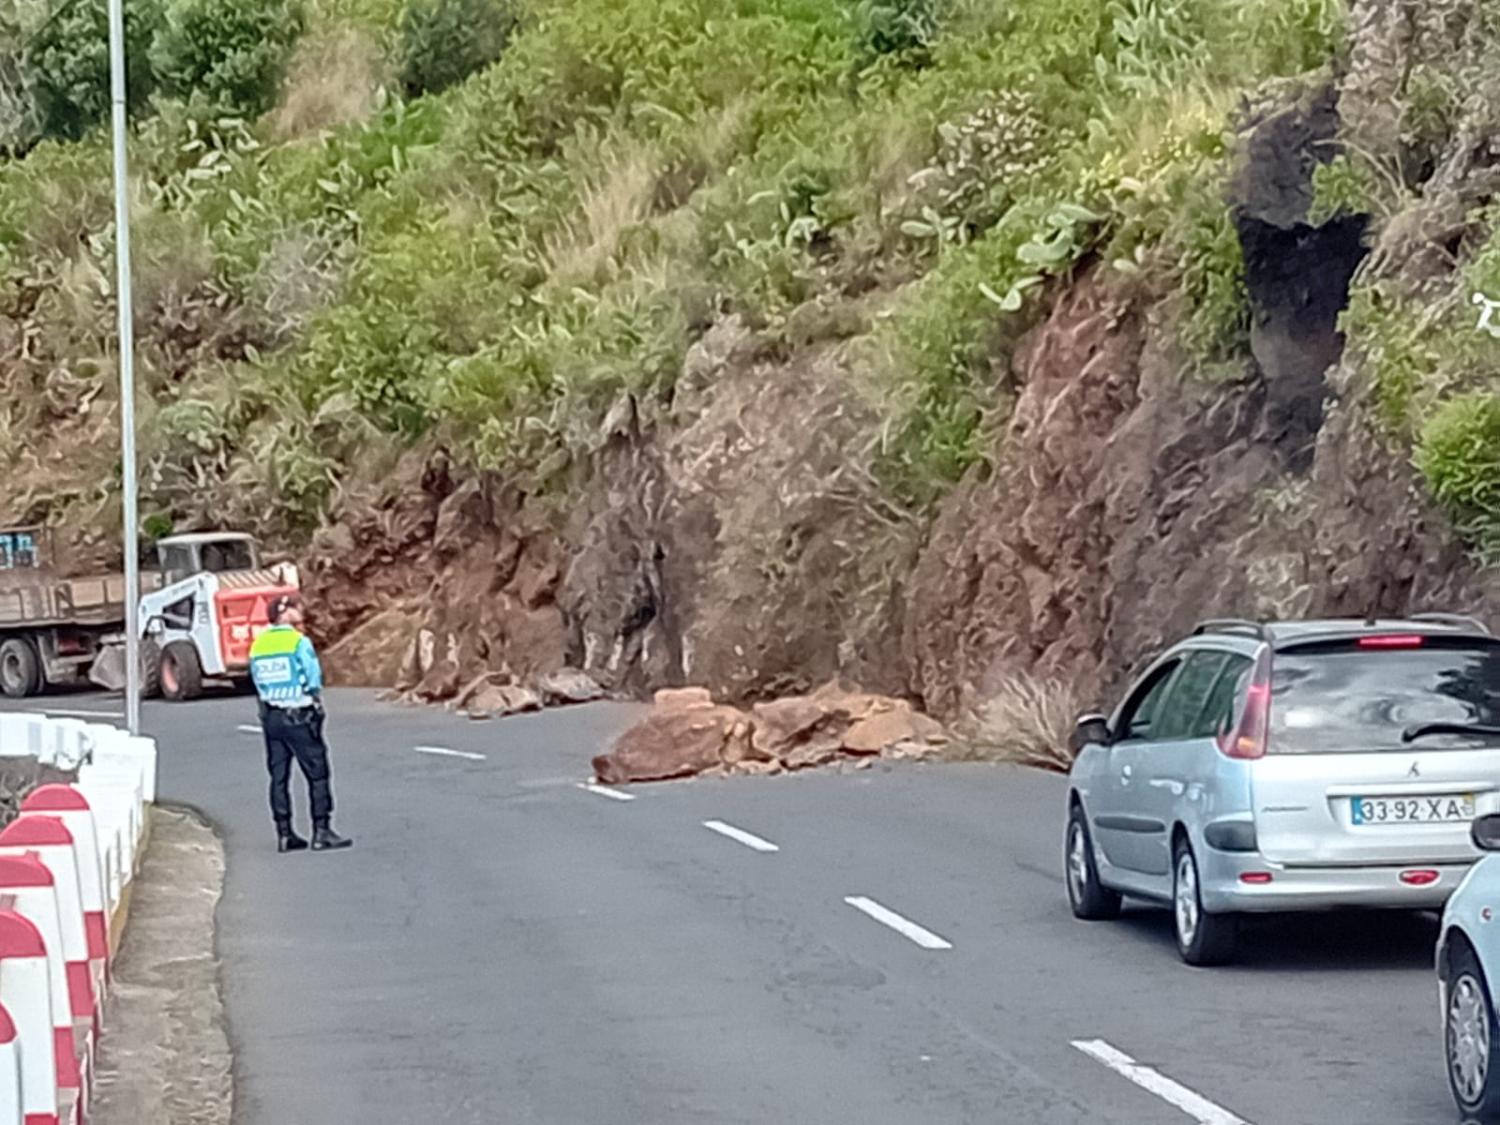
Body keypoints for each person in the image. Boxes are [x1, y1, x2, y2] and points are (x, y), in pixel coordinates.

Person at [248, 593, 353, 853]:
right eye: (296, 608)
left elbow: (257, 680)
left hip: (271, 716)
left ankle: (284, 833)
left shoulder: (258, 645)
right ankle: (321, 831)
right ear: (284, 613)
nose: (301, 611)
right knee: (318, 774)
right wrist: (313, 698)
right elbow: (313, 677)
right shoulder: (298, 641)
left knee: (278, 776)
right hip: (299, 713)